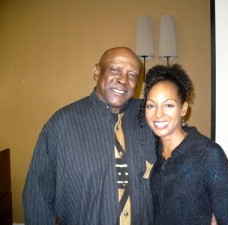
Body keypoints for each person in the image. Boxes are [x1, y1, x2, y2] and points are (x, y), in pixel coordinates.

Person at [23, 47, 156, 225]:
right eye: (115, 70)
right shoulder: (61, 126)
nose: (123, 80)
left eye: (132, 75)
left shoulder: (150, 117)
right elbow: (37, 197)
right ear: (97, 71)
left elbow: (183, 150)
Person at [139, 64, 228, 225]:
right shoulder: (151, 151)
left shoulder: (208, 155)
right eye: (151, 105)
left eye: (169, 105)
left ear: (183, 109)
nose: (158, 114)